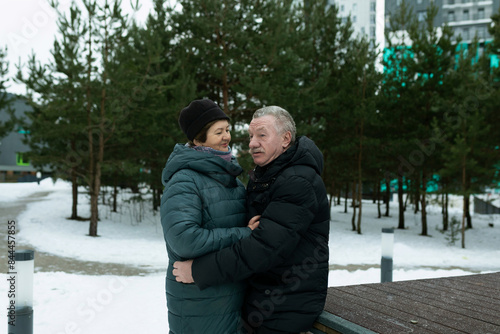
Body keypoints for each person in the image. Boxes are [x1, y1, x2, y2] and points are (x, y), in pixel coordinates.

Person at [173, 106, 330, 334]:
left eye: (262, 135)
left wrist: (199, 271)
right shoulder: (269, 174)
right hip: (264, 297)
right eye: (250, 136)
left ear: (286, 139)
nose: (252, 143)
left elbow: (264, 248)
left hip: (283, 306)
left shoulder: (297, 181)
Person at [160, 99, 260, 334]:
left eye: (227, 130)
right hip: (198, 303)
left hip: (230, 298)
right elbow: (184, 239)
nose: (226, 136)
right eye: (218, 132)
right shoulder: (185, 180)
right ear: (197, 139)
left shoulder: (232, 179)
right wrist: (244, 234)